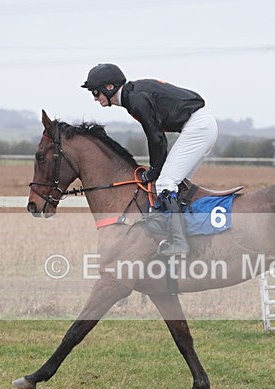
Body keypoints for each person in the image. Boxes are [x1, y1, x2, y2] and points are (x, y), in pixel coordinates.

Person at [81, 63, 218, 256]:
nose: (95, 98)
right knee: (176, 186)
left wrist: (154, 171)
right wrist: (155, 169)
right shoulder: (133, 95)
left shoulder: (135, 99)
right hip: (200, 125)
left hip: (198, 128)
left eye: (96, 92)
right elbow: (157, 137)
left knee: (166, 183)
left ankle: (180, 244)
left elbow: (156, 137)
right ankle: (187, 236)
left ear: (109, 87)